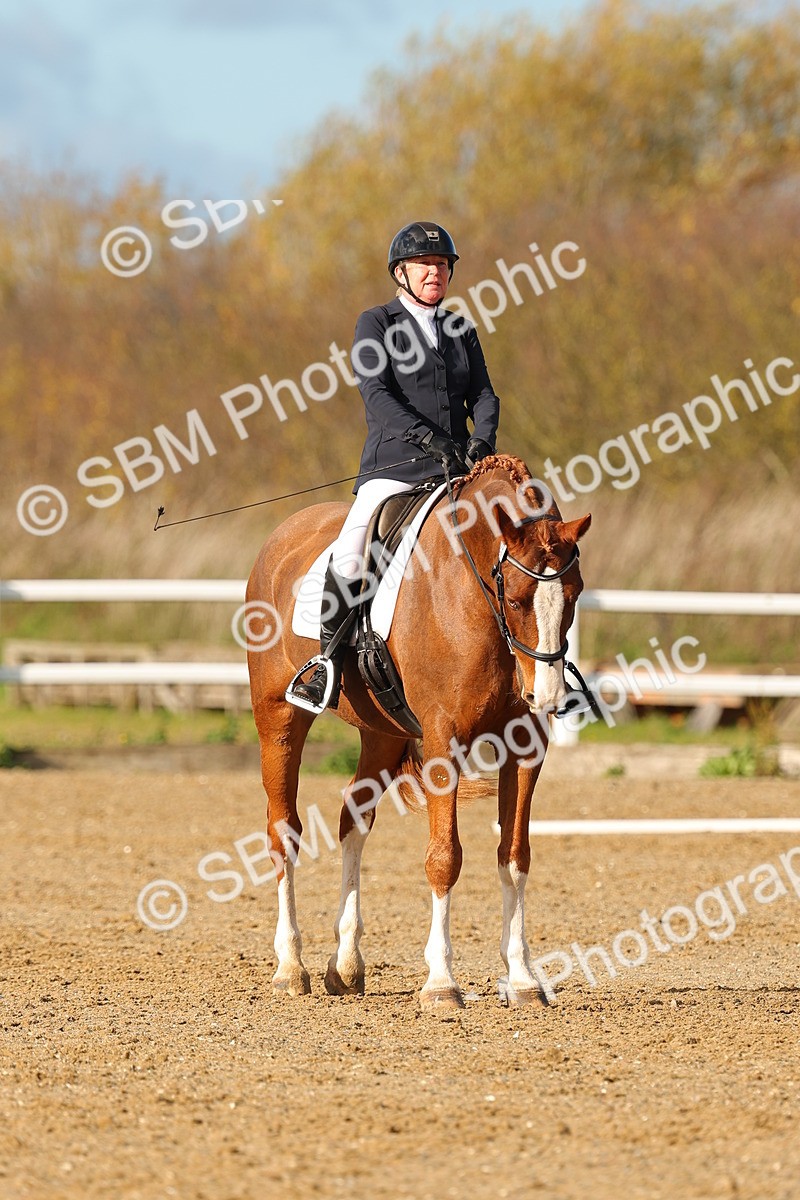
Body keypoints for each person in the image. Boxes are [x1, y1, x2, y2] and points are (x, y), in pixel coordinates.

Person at [287, 220, 500, 713]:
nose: (436, 273)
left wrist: (481, 441)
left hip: (455, 473)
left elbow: (484, 394)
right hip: (394, 470)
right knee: (354, 543)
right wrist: (427, 436)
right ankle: (325, 663)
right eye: (426, 265)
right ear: (401, 272)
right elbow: (376, 393)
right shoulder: (376, 322)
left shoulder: (459, 329)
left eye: (443, 266)